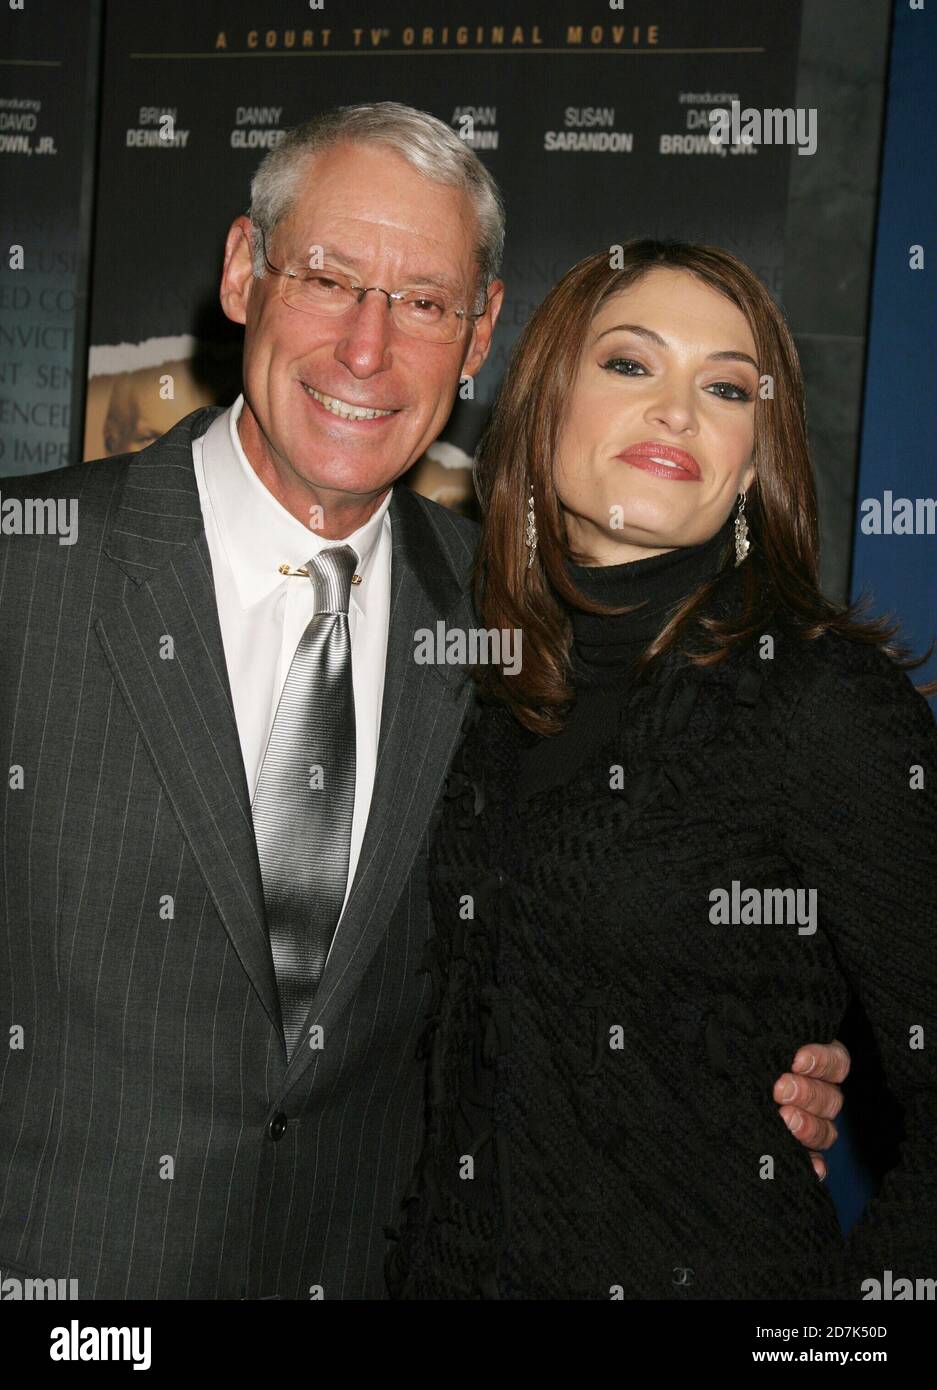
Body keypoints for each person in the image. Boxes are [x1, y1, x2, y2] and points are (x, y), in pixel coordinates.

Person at [0, 105, 847, 1301]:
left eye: (424, 303)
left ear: (480, 335)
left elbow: (587, 950)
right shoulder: (24, 570)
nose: (366, 349)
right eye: (330, 278)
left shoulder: (528, 631)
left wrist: (746, 1079)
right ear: (245, 269)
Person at [385, 240, 937, 1300]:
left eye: (726, 387)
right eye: (631, 365)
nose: (678, 410)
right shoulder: (482, 692)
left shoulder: (818, 702)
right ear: (544, 408)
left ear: (753, 459)